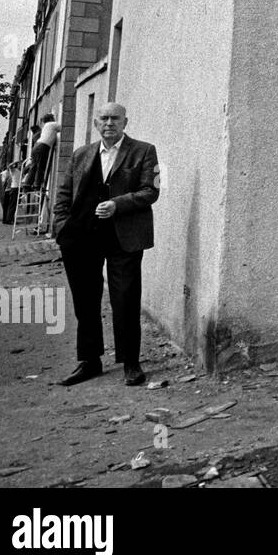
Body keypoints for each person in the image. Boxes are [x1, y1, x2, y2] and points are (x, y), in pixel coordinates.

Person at [52, 103, 160, 387]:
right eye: (103, 118)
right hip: (82, 237)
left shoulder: (144, 150)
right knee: (85, 301)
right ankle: (89, 361)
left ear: (126, 121)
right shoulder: (81, 155)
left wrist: (118, 204)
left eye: (115, 118)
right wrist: (61, 227)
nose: (109, 123)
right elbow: (63, 194)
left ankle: (130, 362)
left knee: (125, 298)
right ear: (96, 123)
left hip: (123, 237)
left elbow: (151, 191)